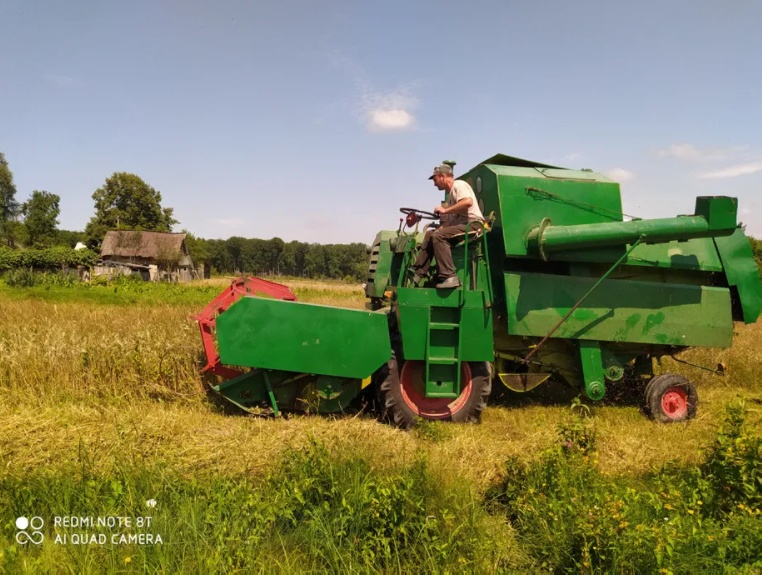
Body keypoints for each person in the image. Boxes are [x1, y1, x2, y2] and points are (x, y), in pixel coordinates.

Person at [410, 161, 485, 289]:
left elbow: (468, 202)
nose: (434, 183)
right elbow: (455, 218)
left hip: (473, 225)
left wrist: (445, 210)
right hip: (463, 224)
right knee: (431, 234)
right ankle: (418, 272)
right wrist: (442, 227)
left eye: (435, 179)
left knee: (438, 235)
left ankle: (450, 276)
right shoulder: (451, 194)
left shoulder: (459, 185)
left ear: (443, 176)